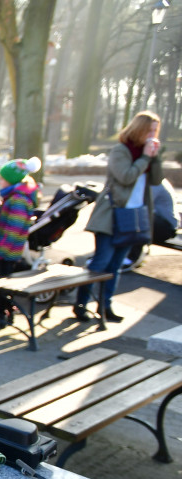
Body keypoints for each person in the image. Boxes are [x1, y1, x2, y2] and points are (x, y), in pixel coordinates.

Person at [75, 110, 163, 323]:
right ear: (139, 130)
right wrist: (144, 158)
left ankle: (105, 306)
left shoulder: (146, 155)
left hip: (134, 216)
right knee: (100, 263)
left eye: (155, 131)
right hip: (112, 216)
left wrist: (155, 158)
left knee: (116, 265)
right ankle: (80, 304)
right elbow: (125, 177)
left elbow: (156, 181)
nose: (152, 135)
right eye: (149, 130)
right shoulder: (121, 151)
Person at [0, 157, 42, 328]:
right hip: (7, 249)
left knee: (3, 283)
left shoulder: (18, 199)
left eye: (2, 178)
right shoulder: (15, 196)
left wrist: (1, 250)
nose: (0, 181)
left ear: (11, 179)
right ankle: (6, 310)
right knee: (4, 281)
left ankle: (0, 314)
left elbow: (14, 228)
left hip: (6, 251)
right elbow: (5, 214)